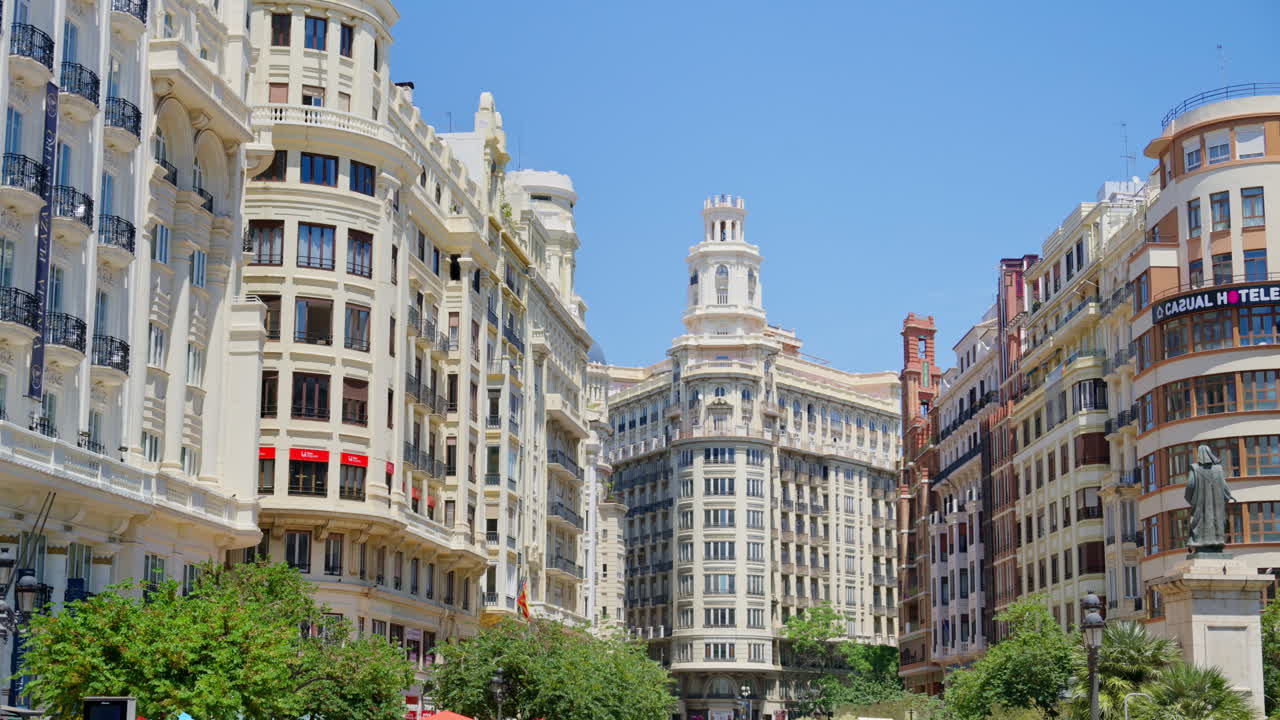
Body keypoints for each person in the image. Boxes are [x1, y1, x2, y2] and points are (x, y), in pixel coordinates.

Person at [1185, 444, 1234, 552]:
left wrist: (1192, 500)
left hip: (1201, 505)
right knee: (1216, 520)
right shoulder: (1218, 469)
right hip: (1217, 505)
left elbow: (1190, 485)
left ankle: (1200, 545)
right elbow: (1224, 487)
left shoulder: (1195, 468)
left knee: (1200, 522)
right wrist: (1228, 496)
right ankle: (1217, 544)